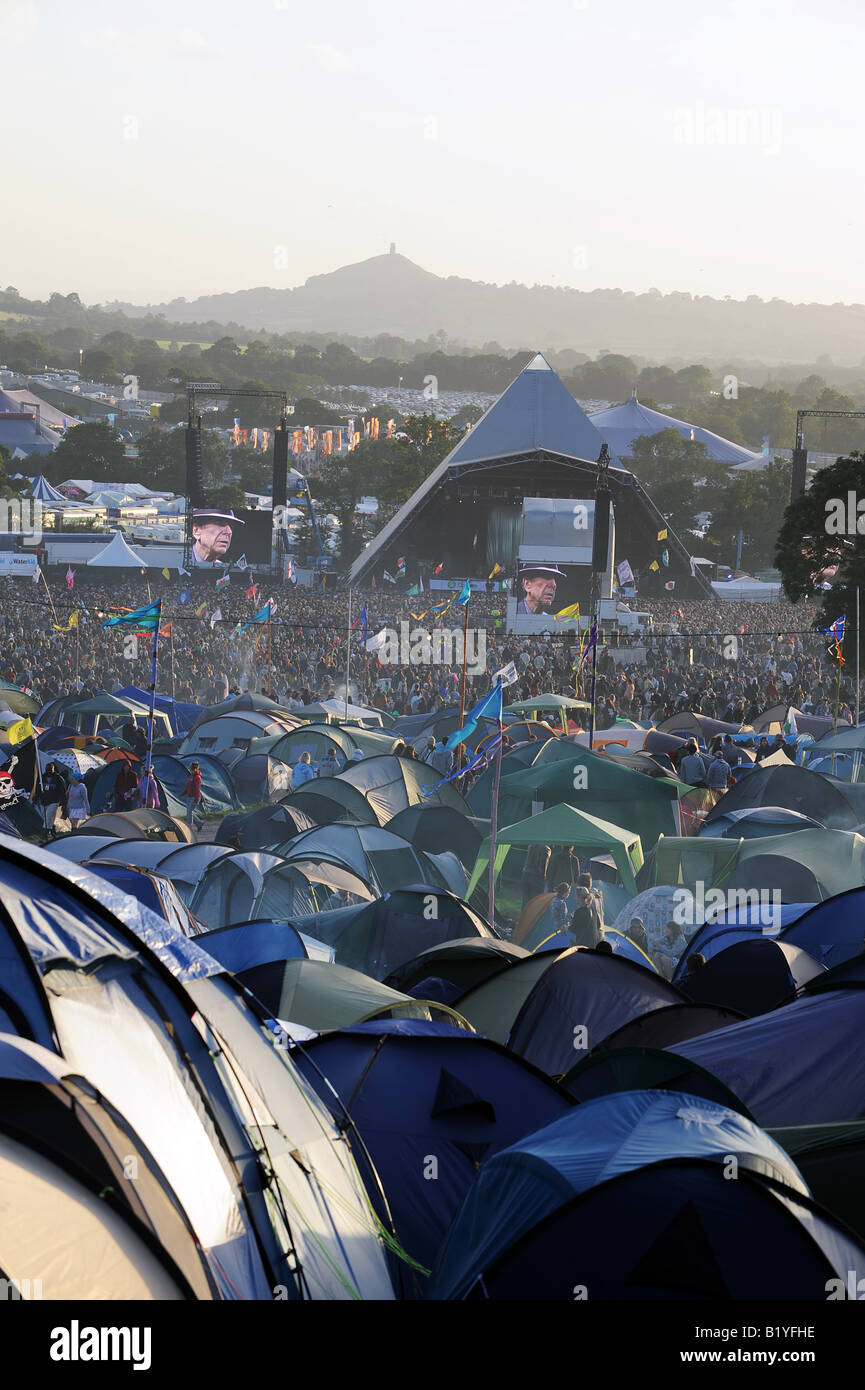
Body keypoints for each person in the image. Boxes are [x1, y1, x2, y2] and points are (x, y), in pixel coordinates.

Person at [569, 872, 604, 948]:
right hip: (600, 932)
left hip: (591, 936)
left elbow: (586, 916)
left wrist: (574, 917)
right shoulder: (597, 895)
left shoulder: (588, 898)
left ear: (580, 885)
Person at [39, 762, 68, 839]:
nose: (48, 772)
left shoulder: (58, 778)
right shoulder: (42, 777)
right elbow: (37, 789)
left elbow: (63, 792)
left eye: (50, 770)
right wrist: (36, 798)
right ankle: (52, 830)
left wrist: (64, 805)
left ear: (53, 769)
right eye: (47, 770)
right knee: (46, 817)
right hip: (43, 801)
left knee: (48, 817)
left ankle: (44, 835)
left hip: (54, 801)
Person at [183, 760, 203, 827]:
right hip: (189, 796)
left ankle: (189, 826)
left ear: (194, 769)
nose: (189, 770)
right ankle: (199, 822)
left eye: (190, 769)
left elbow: (197, 789)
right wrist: (183, 793)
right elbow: (188, 787)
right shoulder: (191, 776)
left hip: (194, 797)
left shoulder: (197, 777)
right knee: (189, 811)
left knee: (189, 812)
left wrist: (196, 798)